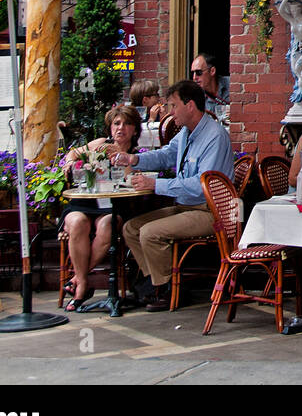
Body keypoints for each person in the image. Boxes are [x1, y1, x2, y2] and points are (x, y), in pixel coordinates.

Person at [118, 80, 233, 311]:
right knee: (131, 228)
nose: (169, 112)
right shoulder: (186, 133)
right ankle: (157, 284)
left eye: (173, 105)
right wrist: (135, 160)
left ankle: (168, 289)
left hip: (210, 211)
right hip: (186, 206)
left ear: (190, 105)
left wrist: (155, 184)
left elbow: (203, 186)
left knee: (150, 232)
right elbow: (166, 155)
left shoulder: (215, 136)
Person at [61, 104, 143, 312]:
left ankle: (78, 283)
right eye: (116, 123)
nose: (120, 128)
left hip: (113, 206)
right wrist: (70, 164)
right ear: (110, 127)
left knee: (108, 225)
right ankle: (82, 282)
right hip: (85, 201)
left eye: (127, 124)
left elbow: (129, 180)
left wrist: (121, 157)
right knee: (78, 222)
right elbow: (72, 154)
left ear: (135, 130)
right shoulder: (99, 144)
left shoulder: (137, 155)